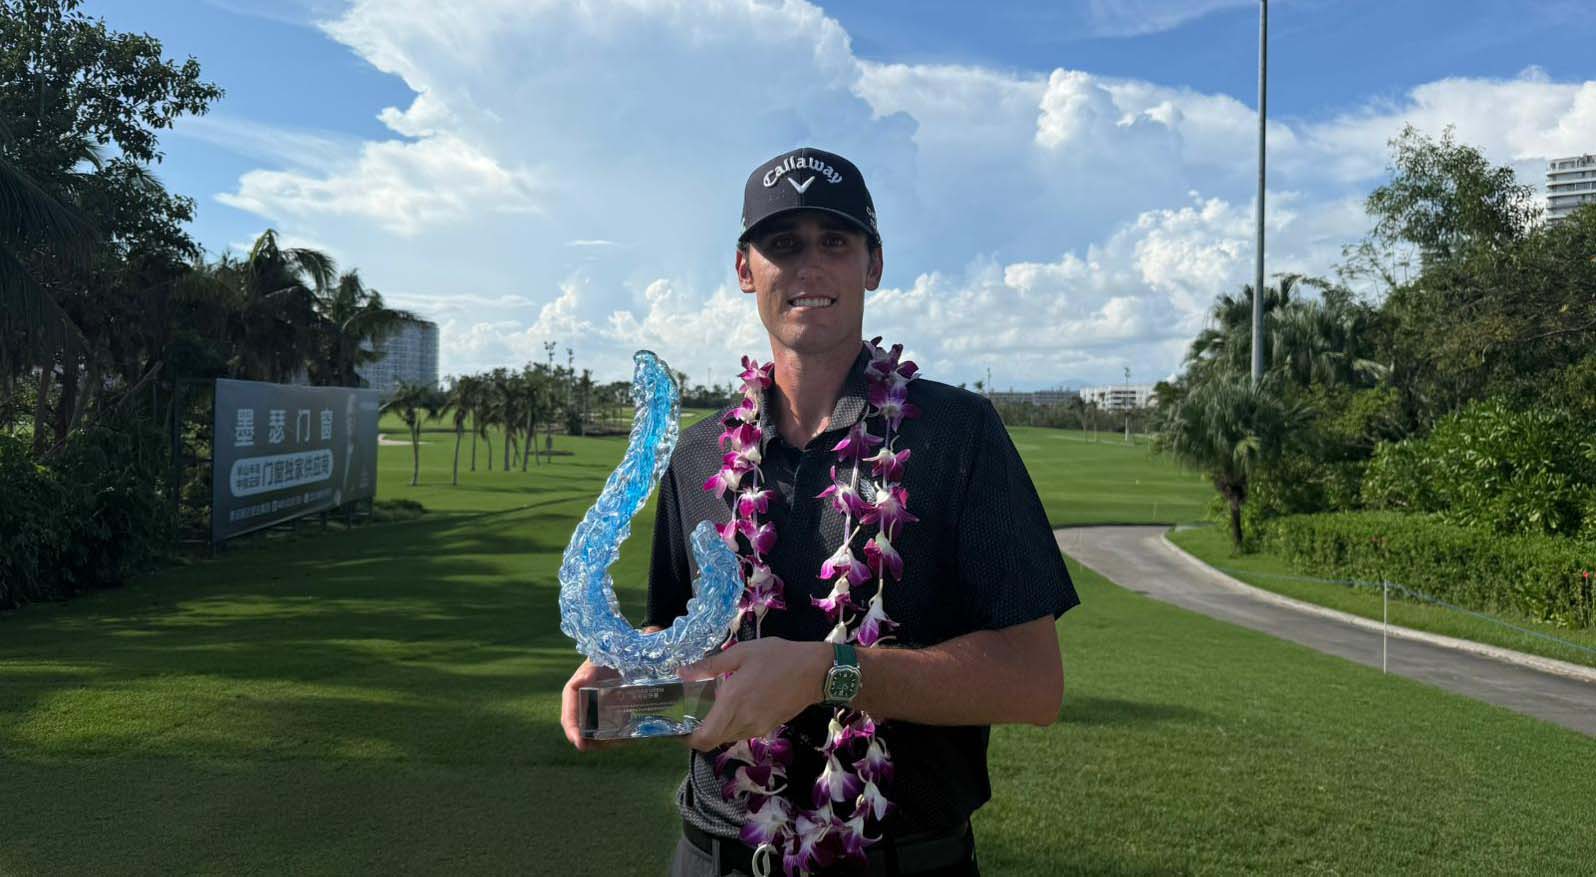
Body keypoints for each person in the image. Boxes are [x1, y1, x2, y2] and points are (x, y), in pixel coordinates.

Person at [560, 147, 1078, 876]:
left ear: (874, 264)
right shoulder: (699, 453)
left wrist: (827, 672)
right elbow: (678, 633)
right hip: (715, 853)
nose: (809, 267)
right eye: (783, 244)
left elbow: (1034, 683)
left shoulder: (959, 435)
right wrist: (628, 672)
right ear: (745, 269)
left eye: (835, 241)